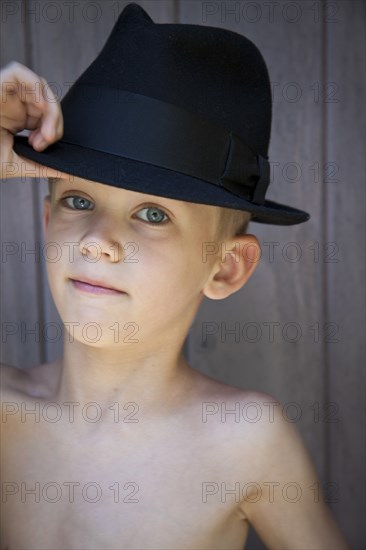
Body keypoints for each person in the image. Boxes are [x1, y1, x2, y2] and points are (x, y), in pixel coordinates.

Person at [0, 3, 350, 549]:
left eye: (154, 214)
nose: (97, 241)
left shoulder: (244, 442)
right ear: (46, 223)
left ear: (226, 266)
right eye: (78, 199)